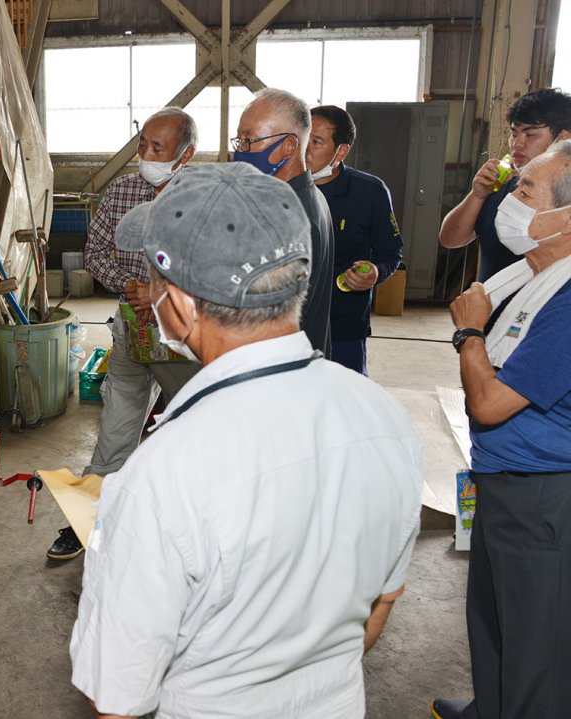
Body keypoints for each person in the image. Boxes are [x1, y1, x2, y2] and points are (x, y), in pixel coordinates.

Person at [70, 162, 424, 718]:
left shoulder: (162, 474)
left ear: (181, 307)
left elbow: (116, 698)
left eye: (156, 284)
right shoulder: (384, 417)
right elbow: (377, 611)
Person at [431, 141, 571, 719]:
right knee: (491, 617)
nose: (512, 199)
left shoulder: (565, 301)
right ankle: (490, 706)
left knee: (538, 642)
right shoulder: (525, 276)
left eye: (528, 190)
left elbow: (488, 402)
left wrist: (470, 334)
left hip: (540, 492)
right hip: (502, 478)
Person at [46, 107, 200, 561]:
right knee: (115, 434)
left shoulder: (206, 200)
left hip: (185, 338)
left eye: (158, 148)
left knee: (194, 434)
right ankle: (85, 521)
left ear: (185, 154)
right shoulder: (123, 190)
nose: (145, 155)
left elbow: (217, 269)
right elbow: (94, 252)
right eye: (142, 145)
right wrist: (129, 288)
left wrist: (162, 295)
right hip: (132, 331)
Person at [233, 88, 334, 357]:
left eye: (249, 140)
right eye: (239, 140)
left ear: (289, 146)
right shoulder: (311, 196)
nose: (241, 151)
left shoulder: (288, 218)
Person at [306, 105, 403, 375]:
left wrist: (375, 272)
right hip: (288, 326)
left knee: (344, 404)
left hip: (343, 326)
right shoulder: (279, 188)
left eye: (316, 141)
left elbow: (391, 253)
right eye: (303, 137)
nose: (306, 149)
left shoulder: (369, 192)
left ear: (341, 151)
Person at [438, 88, 571, 281]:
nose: (517, 143)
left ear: (563, 138)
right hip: (487, 309)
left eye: (530, 135)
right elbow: (450, 239)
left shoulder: (565, 197)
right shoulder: (499, 185)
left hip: (540, 309)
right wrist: (477, 195)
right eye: (514, 133)